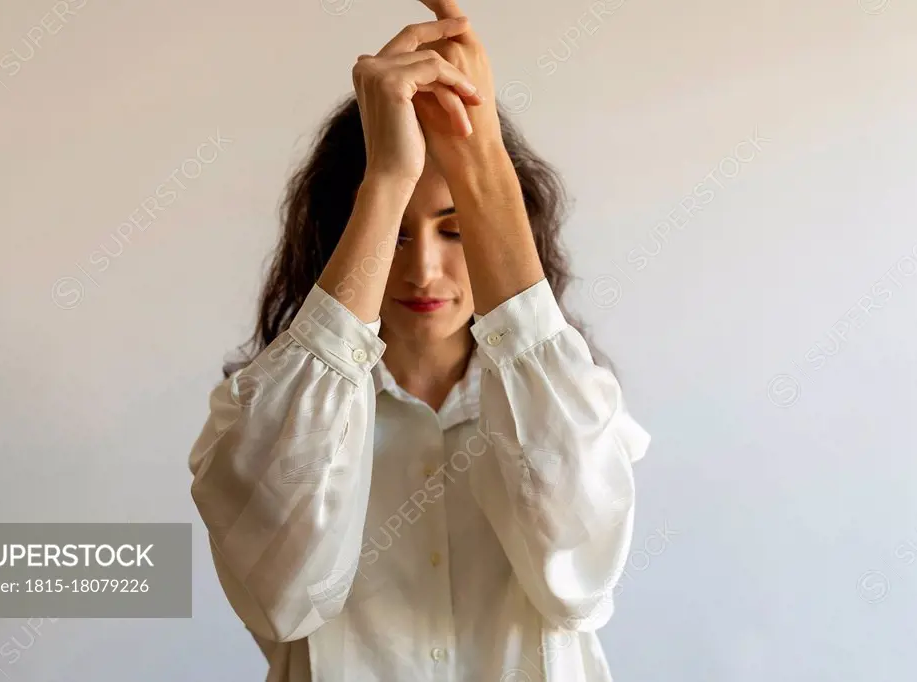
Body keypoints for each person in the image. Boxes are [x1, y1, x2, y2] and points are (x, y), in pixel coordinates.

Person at [187, 1, 651, 680]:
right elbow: (287, 599)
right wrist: (384, 177)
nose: (424, 269)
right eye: (394, 231)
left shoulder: (572, 407)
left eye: (455, 228)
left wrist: (482, 157)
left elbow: (577, 582)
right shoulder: (267, 421)